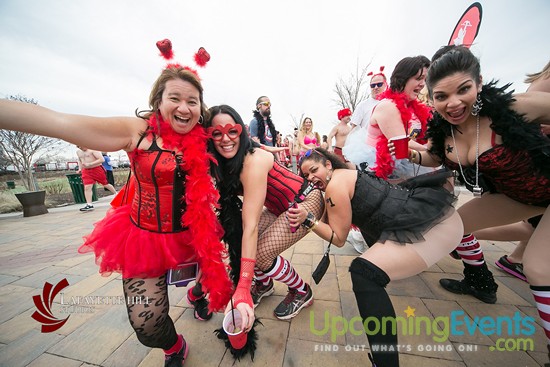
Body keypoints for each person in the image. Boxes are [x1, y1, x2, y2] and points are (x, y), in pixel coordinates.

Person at [0, 56, 233, 367]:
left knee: (209, 277)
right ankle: (173, 345)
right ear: (158, 101)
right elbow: (61, 123)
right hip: (145, 238)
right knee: (147, 326)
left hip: (196, 235)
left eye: (192, 101)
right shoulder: (136, 131)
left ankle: (196, 294)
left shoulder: (205, 137)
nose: (184, 107)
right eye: (174, 98)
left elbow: (241, 147)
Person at [412, 45, 550, 362]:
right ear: (432, 99)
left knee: (539, 268)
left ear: (480, 83)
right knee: (451, 227)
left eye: (464, 90)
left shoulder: (514, 108)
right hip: (516, 198)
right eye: (442, 96)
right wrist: (407, 151)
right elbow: (435, 156)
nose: (454, 102)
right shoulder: (445, 131)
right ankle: (479, 279)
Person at [297, 148, 463, 367]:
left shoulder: (334, 188)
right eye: (306, 175)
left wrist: (307, 219)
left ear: (328, 165)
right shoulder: (348, 171)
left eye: (314, 170)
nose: (310, 178)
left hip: (433, 232)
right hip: (438, 216)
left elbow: (338, 239)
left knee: (363, 273)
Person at [204, 105, 325, 327]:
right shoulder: (223, 164)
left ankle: (301, 290)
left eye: (232, 131)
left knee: (259, 252)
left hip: (306, 201)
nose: (225, 138)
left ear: (241, 131)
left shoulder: (253, 160)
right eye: (216, 133)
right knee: (244, 241)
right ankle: (265, 283)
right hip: (281, 208)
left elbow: (250, 225)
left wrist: (242, 284)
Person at [343, 67, 387, 166]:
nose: (376, 87)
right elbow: (353, 129)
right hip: (367, 151)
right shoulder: (362, 105)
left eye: (379, 84)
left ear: (385, 84)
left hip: (388, 150)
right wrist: (349, 150)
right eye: (372, 85)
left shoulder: (391, 103)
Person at [76, 146, 117, 211]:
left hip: (97, 169)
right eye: (77, 146)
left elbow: (101, 159)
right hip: (86, 171)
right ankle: (89, 204)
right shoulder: (78, 152)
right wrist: (80, 168)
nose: (80, 147)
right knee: (87, 187)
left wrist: (90, 164)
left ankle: (116, 194)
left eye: (80, 145)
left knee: (105, 184)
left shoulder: (93, 149)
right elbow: (80, 160)